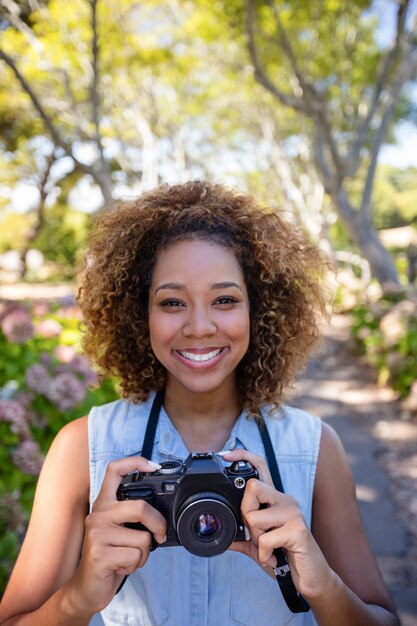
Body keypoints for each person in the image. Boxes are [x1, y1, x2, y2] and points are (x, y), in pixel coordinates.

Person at [0, 181, 399, 626]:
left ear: (259, 309)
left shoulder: (314, 449)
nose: (199, 326)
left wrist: (320, 583)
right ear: (139, 313)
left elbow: (383, 618)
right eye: (172, 302)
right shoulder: (83, 450)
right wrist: (78, 596)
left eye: (225, 300)